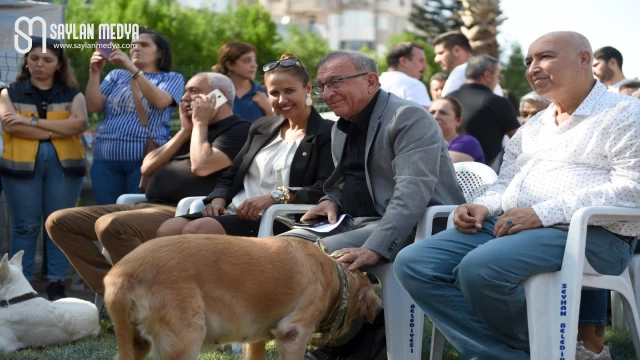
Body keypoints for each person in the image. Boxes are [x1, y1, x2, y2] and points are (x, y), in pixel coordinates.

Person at [394, 31, 640, 360]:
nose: (533, 67)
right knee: (415, 263)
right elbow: (505, 183)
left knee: (480, 267)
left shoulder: (625, 113)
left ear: (584, 60)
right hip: (513, 225)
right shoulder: (535, 124)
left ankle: (537, 349)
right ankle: (525, 352)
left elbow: (633, 189)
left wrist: (543, 213)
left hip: (591, 234)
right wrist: (482, 205)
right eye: (529, 61)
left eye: (545, 57)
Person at [267, 50, 465, 360]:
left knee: (312, 258)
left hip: (418, 227)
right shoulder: (340, 126)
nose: (327, 94)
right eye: (322, 86)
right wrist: (329, 199)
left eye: (337, 82)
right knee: (276, 251)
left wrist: (376, 247)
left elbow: (411, 194)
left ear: (371, 81)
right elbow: (344, 180)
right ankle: (348, 335)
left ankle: (345, 342)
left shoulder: (408, 117)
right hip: (358, 220)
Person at [46, 73, 250, 296]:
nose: (185, 98)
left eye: (193, 91)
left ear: (219, 97)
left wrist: (200, 123)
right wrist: (184, 131)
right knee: (60, 222)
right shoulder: (191, 133)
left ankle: (146, 298)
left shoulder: (239, 130)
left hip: (181, 213)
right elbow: (147, 168)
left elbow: (201, 166)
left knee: (112, 225)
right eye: (185, 92)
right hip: (146, 205)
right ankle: (116, 293)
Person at [157, 53, 334, 238]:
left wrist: (275, 196)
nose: (282, 100)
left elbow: (324, 188)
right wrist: (217, 201)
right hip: (232, 211)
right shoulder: (261, 127)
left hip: (277, 219)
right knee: (168, 229)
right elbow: (230, 176)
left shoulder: (326, 132)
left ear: (306, 88)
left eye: (289, 91)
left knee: (198, 230)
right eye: (274, 93)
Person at [0, 37, 87, 300]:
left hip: (65, 166)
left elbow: (79, 124)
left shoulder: (73, 93)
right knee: (24, 226)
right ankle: (20, 285)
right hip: (19, 167)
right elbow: (10, 125)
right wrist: (56, 130)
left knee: (57, 224)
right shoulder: (9, 92)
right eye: (34, 58)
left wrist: (34, 122)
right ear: (26, 60)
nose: (39, 64)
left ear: (59, 64)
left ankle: (57, 282)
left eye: (48, 59)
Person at [86, 28, 185, 205]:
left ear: (159, 52)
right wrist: (94, 72)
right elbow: (93, 106)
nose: (135, 49)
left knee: (135, 215)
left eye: (144, 45)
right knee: (105, 214)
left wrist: (131, 68)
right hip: (105, 158)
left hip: (144, 159)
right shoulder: (116, 75)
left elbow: (160, 101)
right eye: (133, 45)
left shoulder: (171, 78)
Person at [448, 54, 520, 165]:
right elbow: (518, 141)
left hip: (443, 170)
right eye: (498, 76)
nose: (498, 81)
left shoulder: (446, 100)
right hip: (486, 174)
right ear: (487, 75)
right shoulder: (497, 102)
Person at [212, 41, 274, 122]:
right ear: (229, 65)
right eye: (246, 60)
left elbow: (282, 130)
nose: (254, 65)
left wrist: (269, 110)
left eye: (254, 60)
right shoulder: (216, 94)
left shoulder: (266, 93)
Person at [434, 31, 504, 97]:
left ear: (457, 50)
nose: (436, 60)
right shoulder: (486, 74)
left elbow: (446, 106)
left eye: (441, 53)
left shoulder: (461, 71)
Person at [430, 97, 484, 163]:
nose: (435, 116)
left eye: (443, 113)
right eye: (432, 112)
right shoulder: (425, 142)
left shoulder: (468, 143)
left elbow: (441, 167)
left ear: (458, 121)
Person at [379, 42, 431, 108]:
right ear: (403, 61)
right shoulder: (413, 85)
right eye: (421, 61)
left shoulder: (374, 84)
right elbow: (421, 117)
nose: (425, 67)